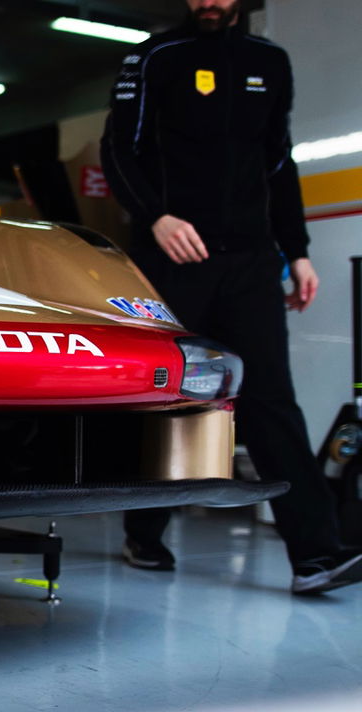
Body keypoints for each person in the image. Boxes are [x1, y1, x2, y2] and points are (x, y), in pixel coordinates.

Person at [100, 0, 362, 594]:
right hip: (172, 259)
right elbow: (117, 149)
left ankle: (317, 555)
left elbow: (278, 162)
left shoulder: (271, 62)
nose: (207, 4)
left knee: (272, 400)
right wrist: (156, 219)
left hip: (249, 261)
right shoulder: (154, 56)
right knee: (168, 394)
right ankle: (144, 531)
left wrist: (295, 250)